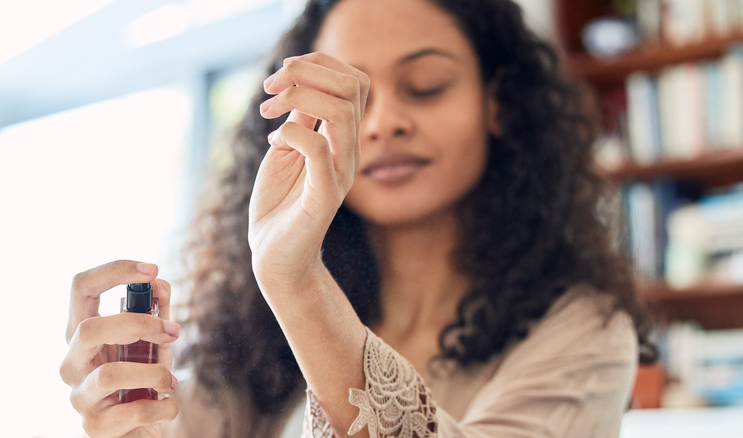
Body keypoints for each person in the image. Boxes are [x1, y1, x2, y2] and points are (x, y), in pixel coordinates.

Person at [60, 0, 656, 436]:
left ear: (496, 103)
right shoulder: (255, 342)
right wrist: (131, 417)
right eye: (352, 98)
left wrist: (298, 284)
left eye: (426, 86)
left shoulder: (584, 333)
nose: (382, 123)